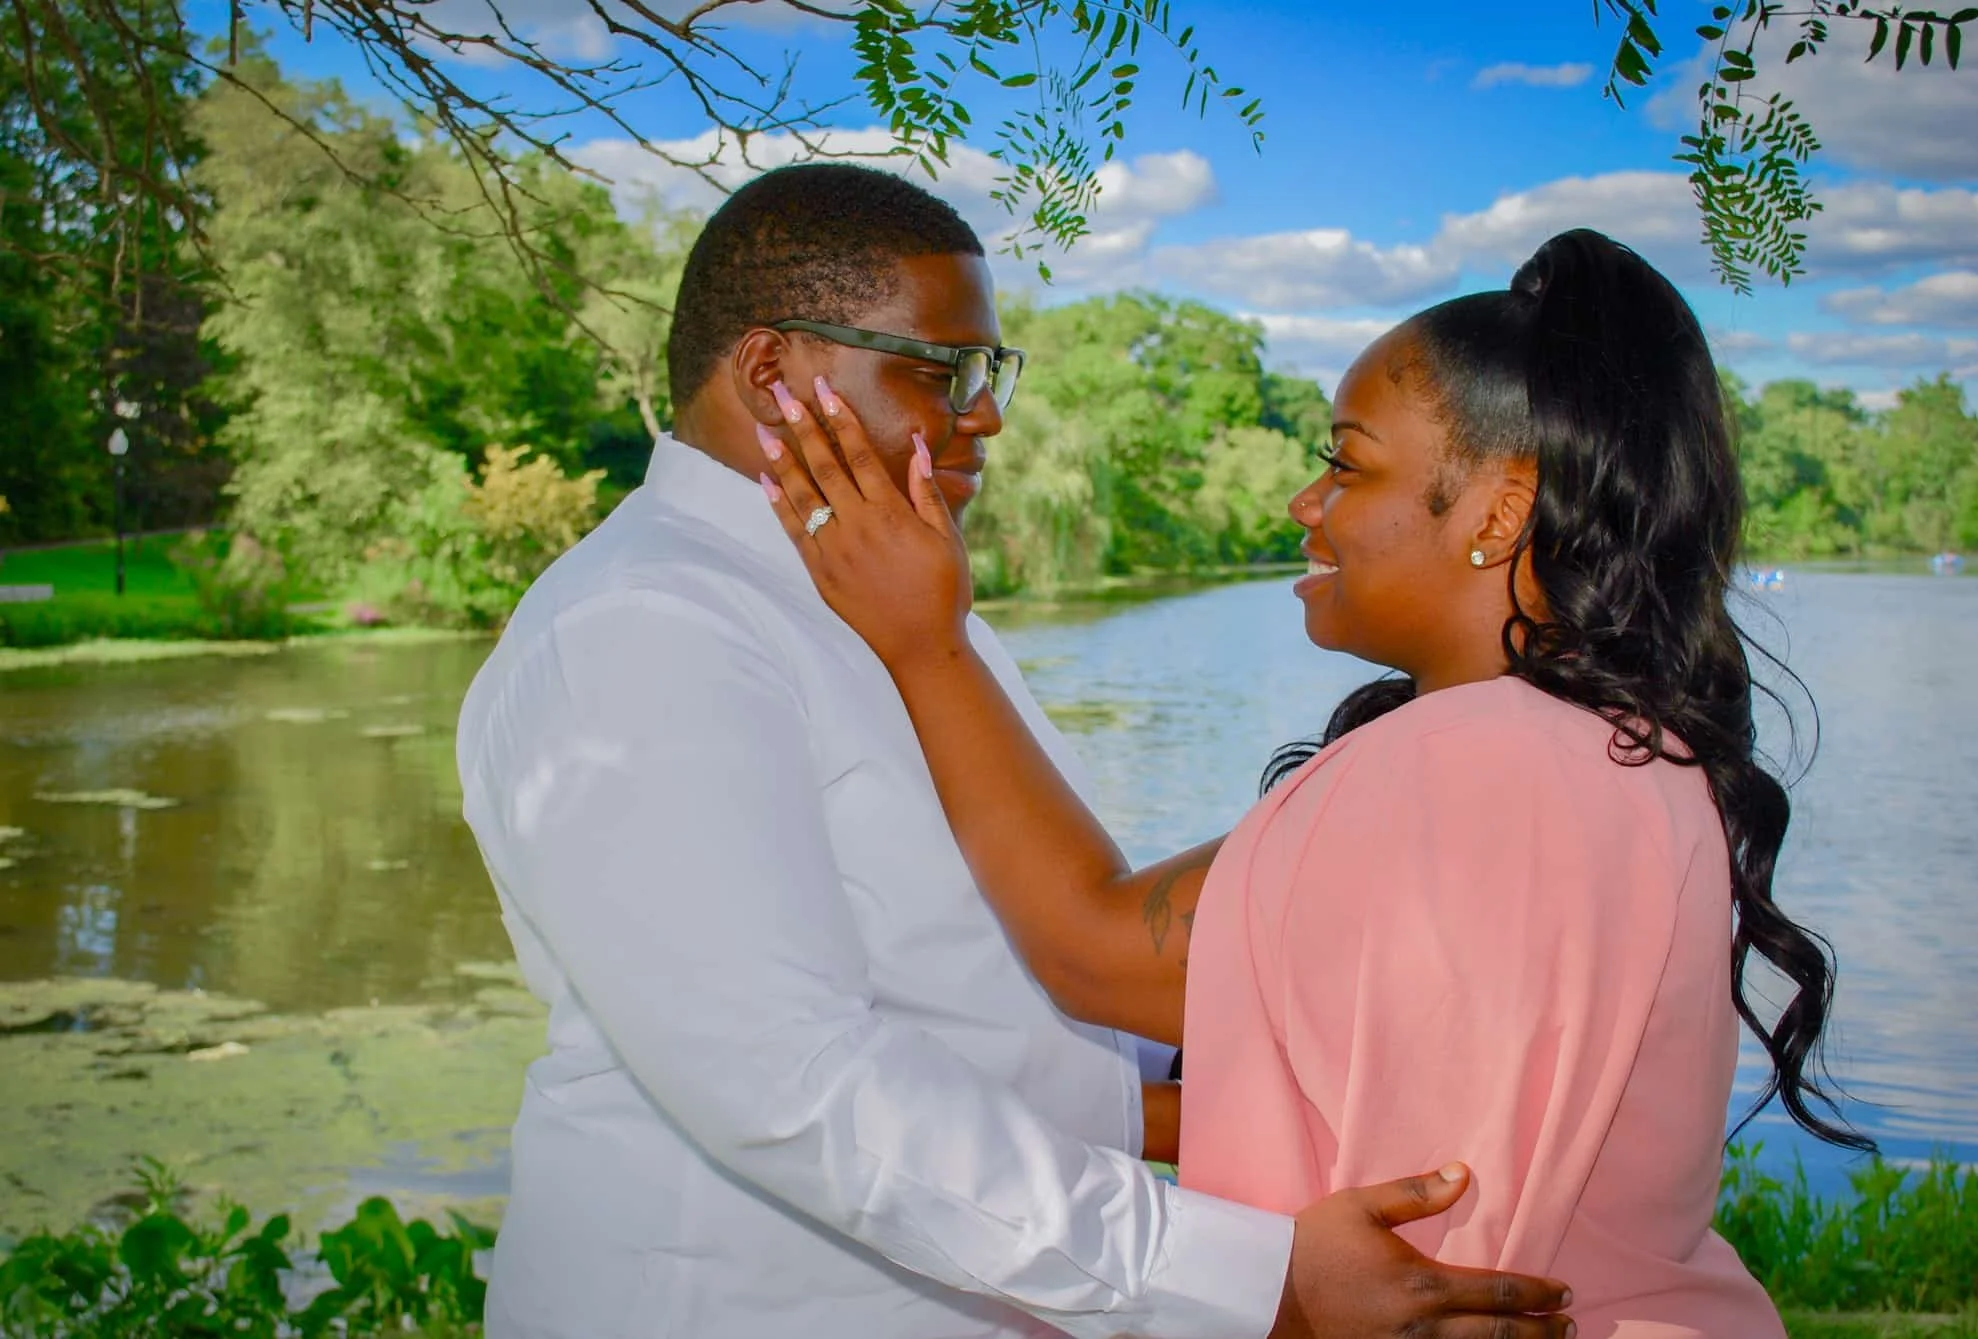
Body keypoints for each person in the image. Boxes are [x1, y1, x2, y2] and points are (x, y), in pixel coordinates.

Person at [455, 163, 1573, 1339]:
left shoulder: (896, 605)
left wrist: (1225, 1101)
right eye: (942, 371)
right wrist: (1255, 1283)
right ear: (773, 374)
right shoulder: (644, 630)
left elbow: (973, 998)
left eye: (988, 372)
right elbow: (787, 1082)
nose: (984, 413)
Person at [757, 226, 1877, 1337]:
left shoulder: (1467, 765)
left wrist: (926, 640)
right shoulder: (1618, 743)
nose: (1304, 502)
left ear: (1496, 510)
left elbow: (1088, 945)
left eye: (1346, 463)